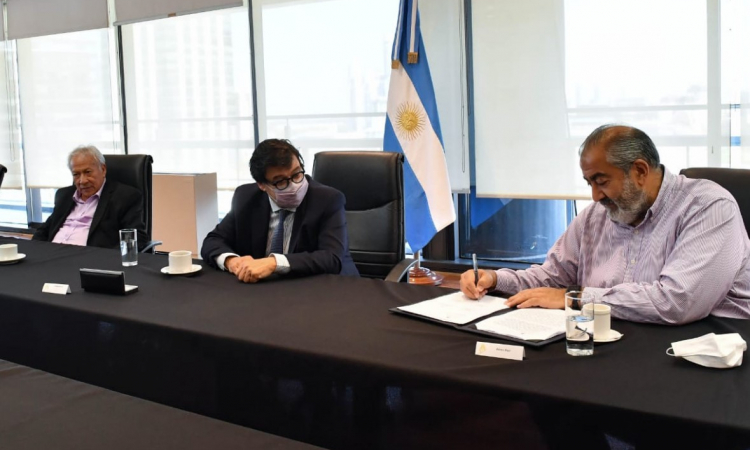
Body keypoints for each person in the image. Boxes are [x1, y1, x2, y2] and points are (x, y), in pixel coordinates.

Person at [460, 124, 750, 325]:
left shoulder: (708, 207)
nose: (595, 196)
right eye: (589, 183)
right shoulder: (595, 215)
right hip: (614, 338)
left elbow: (677, 302)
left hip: (707, 349)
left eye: (601, 181)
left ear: (640, 171)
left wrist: (575, 298)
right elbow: (552, 278)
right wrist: (495, 279)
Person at [201, 139, 358, 282]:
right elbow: (213, 241)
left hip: (324, 287)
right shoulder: (246, 197)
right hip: (266, 290)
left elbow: (331, 258)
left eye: (297, 174)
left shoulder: (327, 199)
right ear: (262, 185)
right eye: (280, 181)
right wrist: (232, 262)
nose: (294, 185)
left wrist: (274, 263)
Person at [33, 145, 148, 250]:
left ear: (103, 170)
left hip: (90, 259)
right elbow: (44, 230)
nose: (82, 181)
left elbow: (136, 237)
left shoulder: (125, 196)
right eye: (76, 174)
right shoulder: (64, 195)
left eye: (88, 172)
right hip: (51, 256)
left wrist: (109, 260)